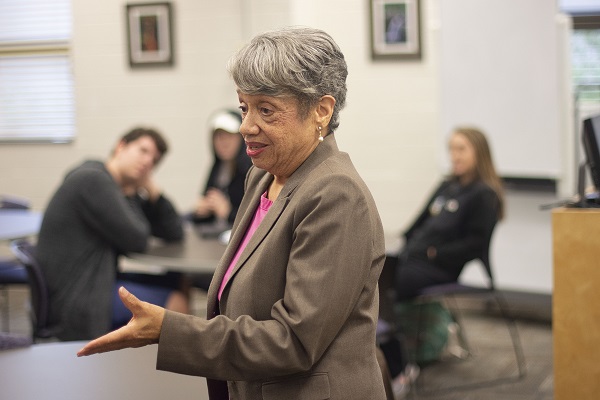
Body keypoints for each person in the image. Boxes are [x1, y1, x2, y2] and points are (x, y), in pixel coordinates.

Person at [78, 27, 389, 400]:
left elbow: (293, 341)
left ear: (321, 110)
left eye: (266, 110)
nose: (246, 126)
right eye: (244, 107)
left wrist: (169, 330)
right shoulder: (262, 178)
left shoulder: (336, 194)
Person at [380, 126, 505, 398]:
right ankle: (390, 358)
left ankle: (400, 367)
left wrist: (435, 254)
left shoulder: (484, 194)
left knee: (384, 287)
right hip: (415, 259)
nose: (454, 155)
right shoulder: (447, 185)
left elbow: (475, 245)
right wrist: (396, 243)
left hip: (441, 269)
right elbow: (416, 225)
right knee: (378, 272)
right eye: (451, 148)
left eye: (461, 149)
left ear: (478, 153)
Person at [37, 127, 189, 341]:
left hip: (95, 280)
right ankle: (170, 371)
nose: (147, 162)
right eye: (142, 151)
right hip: (77, 298)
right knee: (176, 304)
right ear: (121, 146)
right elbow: (137, 238)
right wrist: (133, 191)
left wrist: (152, 191)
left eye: (153, 161)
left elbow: (173, 231)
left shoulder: (115, 187)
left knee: (177, 280)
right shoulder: (93, 180)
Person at [192, 108, 251, 231]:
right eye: (219, 136)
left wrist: (227, 212)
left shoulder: (250, 171)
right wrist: (202, 210)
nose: (223, 142)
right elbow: (206, 208)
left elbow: (256, 220)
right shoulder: (218, 167)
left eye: (229, 136)